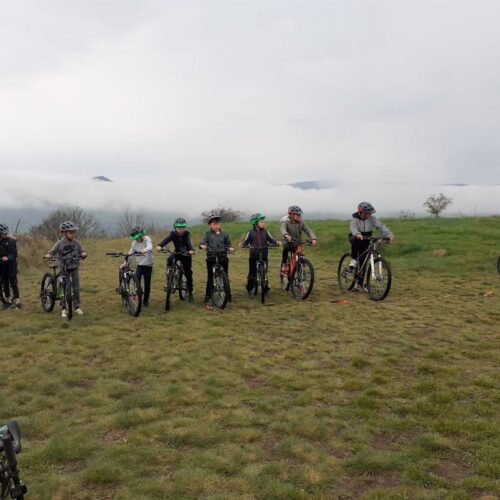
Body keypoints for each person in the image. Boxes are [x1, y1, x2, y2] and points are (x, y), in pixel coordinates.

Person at [44, 221, 88, 318]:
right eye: (71, 232)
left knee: (76, 288)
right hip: (64, 267)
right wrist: (49, 255)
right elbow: (52, 251)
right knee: (65, 288)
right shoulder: (60, 243)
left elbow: (82, 252)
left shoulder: (77, 243)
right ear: (64, 233)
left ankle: (77, 306)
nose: (73, 234)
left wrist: (83, 254)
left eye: (74, 232)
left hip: (74, 267)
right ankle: (64, 308)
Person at [349, 201, 395, 290]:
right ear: (361, 212)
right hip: (355, 237)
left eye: (370, 213)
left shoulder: (372, 219)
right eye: (368, 213)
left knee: (364, 260)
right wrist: (357, 234)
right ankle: (353, 260)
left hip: (366, 238)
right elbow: (353, 227)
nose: (370, 215)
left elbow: (381, 227)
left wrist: (390, 236)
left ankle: (359, 284)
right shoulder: (355, 219)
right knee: (356, 240)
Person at [199, 214, 234, 307]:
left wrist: (230, 248)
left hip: (222, 257)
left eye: (218, 223)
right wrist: (203, 246)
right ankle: (208, 296)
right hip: (211, 257)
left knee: (225, 276)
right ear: (210, 225)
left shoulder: (225, 234)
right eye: (214, 224)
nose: (216, 225)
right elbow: (202, 243)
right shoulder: (207, 234)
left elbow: (229, 244)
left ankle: (228, 295)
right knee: (210, 277)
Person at [156, 217, 195, 302]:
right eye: (179, 227)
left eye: (183, 227)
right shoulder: (173, 234)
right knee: (170, 259)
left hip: (186, 254)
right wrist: (160, 245)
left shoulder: (187, 234)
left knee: (188, 273)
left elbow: (189, 243)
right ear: (175, 227)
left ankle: (190, 292)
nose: (181, 229)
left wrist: (191, 250)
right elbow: (166, 240)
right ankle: (170, 275)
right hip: (177, 253)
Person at [241, 213, 279, 298]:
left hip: (264, 254)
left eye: (263, 221)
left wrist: (276, 242)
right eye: (261, 222)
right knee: (252, 273)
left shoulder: (266, 232)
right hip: (254, 255)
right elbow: (246, 242)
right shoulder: (250, 233)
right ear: (256, 223)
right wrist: (243, 245)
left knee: (264, 273)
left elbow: (271, 240)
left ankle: (266, 289)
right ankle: (250, 289)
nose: (263, 223)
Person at [280, 205, 317, 271]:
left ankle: (299, 271)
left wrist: (313, 238)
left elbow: (308, 230)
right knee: (285, 248)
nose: (300, 216)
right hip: (288, 242)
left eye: (300, 215)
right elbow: (283, 229)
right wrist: (286, 235)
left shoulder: (300, 223)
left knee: (300, 257)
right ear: (292, 215)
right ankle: (284, 264)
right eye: (298, 215)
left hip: (297, 243)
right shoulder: (286, 222)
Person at [123, 226, 153, 306]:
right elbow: (130, 254)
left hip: (148, 265)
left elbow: (150, 246)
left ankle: (145, 301)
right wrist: (125, 263)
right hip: (140, 265)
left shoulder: (147, 239)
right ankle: (139, 293)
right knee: (137, 280)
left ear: (142, 235)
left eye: (137, 238)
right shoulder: (134, 243)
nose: (136, 239)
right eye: (135, 238)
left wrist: (143, 250)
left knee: (147, 284)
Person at [0, 224, 22, 309]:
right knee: (5, 282)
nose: (5, 235)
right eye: (3, 233)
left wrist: (8, 258)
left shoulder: (12, 241)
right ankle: (8, 300)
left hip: (11, 265)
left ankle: (17, 301)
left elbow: (14, 253)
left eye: (6, 233)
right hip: (2, 266)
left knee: (13, 282)